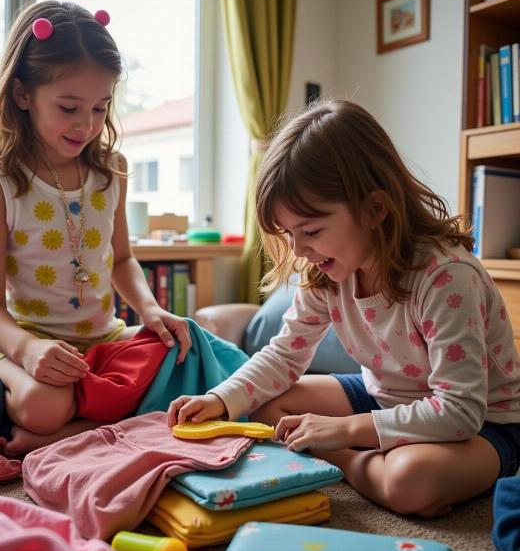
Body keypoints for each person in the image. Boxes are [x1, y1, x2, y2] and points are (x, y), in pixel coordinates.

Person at [168, 99, 520, 518]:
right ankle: (373, 466)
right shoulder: (326, 274)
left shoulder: (445, 277)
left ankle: (352, 464)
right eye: (289, 233)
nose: (298, 249)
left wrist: (345, 434)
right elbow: (284, 355)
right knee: (267, 406)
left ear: (375, 209)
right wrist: (221, 398)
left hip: (484, 424)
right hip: (383, 398)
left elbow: (460, 410)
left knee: (409, 481)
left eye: (311, 230)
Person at [0, 0, 191, 456]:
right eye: (69, 108)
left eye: (100, 108)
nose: (87, 124)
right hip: (28, 338)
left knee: (184, 351)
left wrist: (149, 310)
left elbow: (122, 259)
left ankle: (48, 440)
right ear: (22, 94)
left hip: (102, 338)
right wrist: (27, 351)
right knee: (46, 407)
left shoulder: (112, 171)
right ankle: (62, 426)